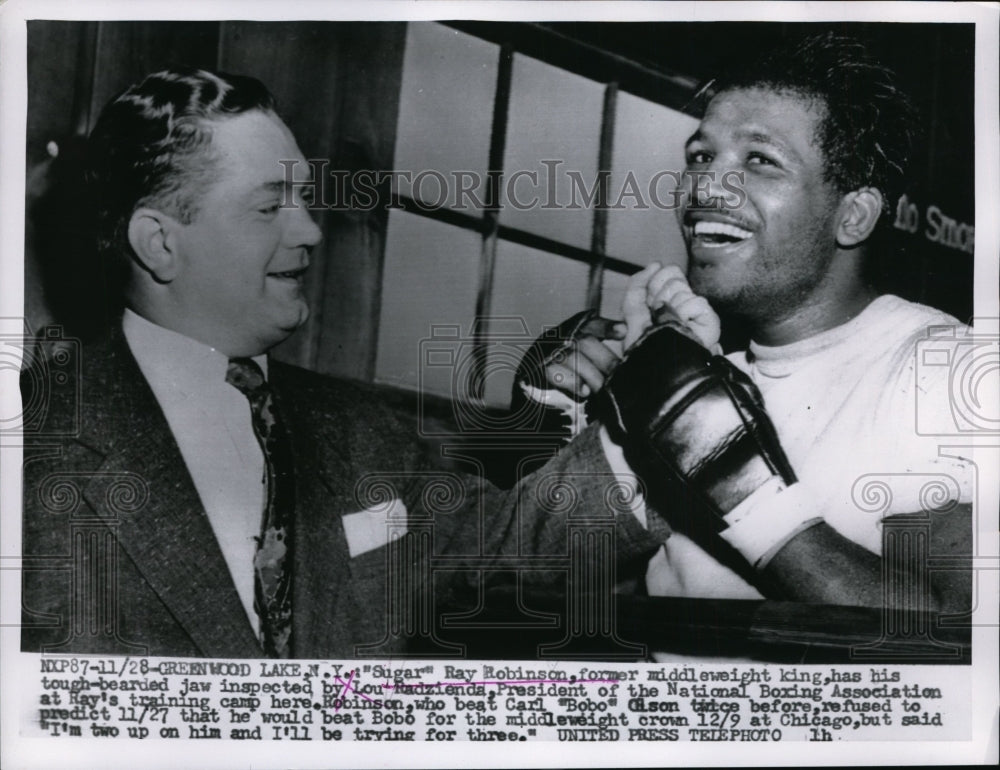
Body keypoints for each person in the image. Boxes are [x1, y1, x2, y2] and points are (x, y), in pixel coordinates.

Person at [20, 67, 662, 659]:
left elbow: (509, 546)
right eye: (271, 206)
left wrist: (666, 410)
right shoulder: (30, 434)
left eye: (303, 198)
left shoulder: (360, 430)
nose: (310, 231)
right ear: (159, 243)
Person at [518, 33, 974, 615]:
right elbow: (574, 597)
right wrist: (553, 436)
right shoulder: (701, 370)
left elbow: (959, 638)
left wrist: (745, 497)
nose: (706, 187)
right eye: (701, 156)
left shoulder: (942, 368)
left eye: (759, 160)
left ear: (853, 215)